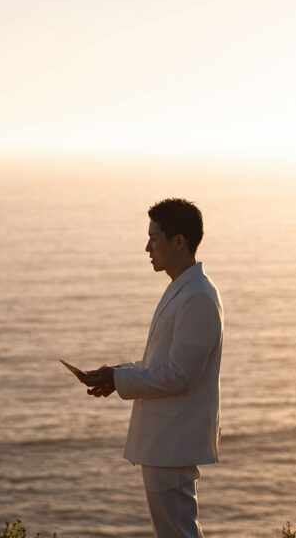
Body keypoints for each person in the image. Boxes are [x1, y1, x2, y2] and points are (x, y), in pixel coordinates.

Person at [83, 199, 223, 538]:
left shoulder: (198, 296)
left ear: (179, 241)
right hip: (165, 441)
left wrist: (120, 378)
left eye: (154, 238)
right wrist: (116, 375)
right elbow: (164, 364)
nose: (147, 247)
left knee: (179, 533)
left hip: (173, 442)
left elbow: (180, 375)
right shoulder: (183, 289)